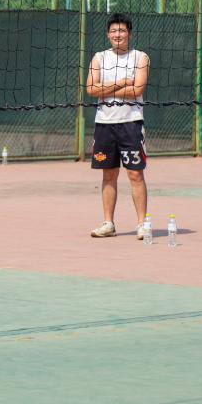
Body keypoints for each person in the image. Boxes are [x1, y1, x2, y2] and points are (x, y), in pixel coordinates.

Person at [86, 13, 150, 239]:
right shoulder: (99, 58)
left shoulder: (140, 57)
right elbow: (91, 89)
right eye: (113, 31)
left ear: (129, 34)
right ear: (108, 34)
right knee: (109, 174)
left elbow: (137, 89)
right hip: (104, 124)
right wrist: (122, 83)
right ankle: (108, 224)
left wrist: (106, 89)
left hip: (131, 123)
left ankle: (142, 224)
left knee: (135, 174)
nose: (117, 35)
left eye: (122, 30)